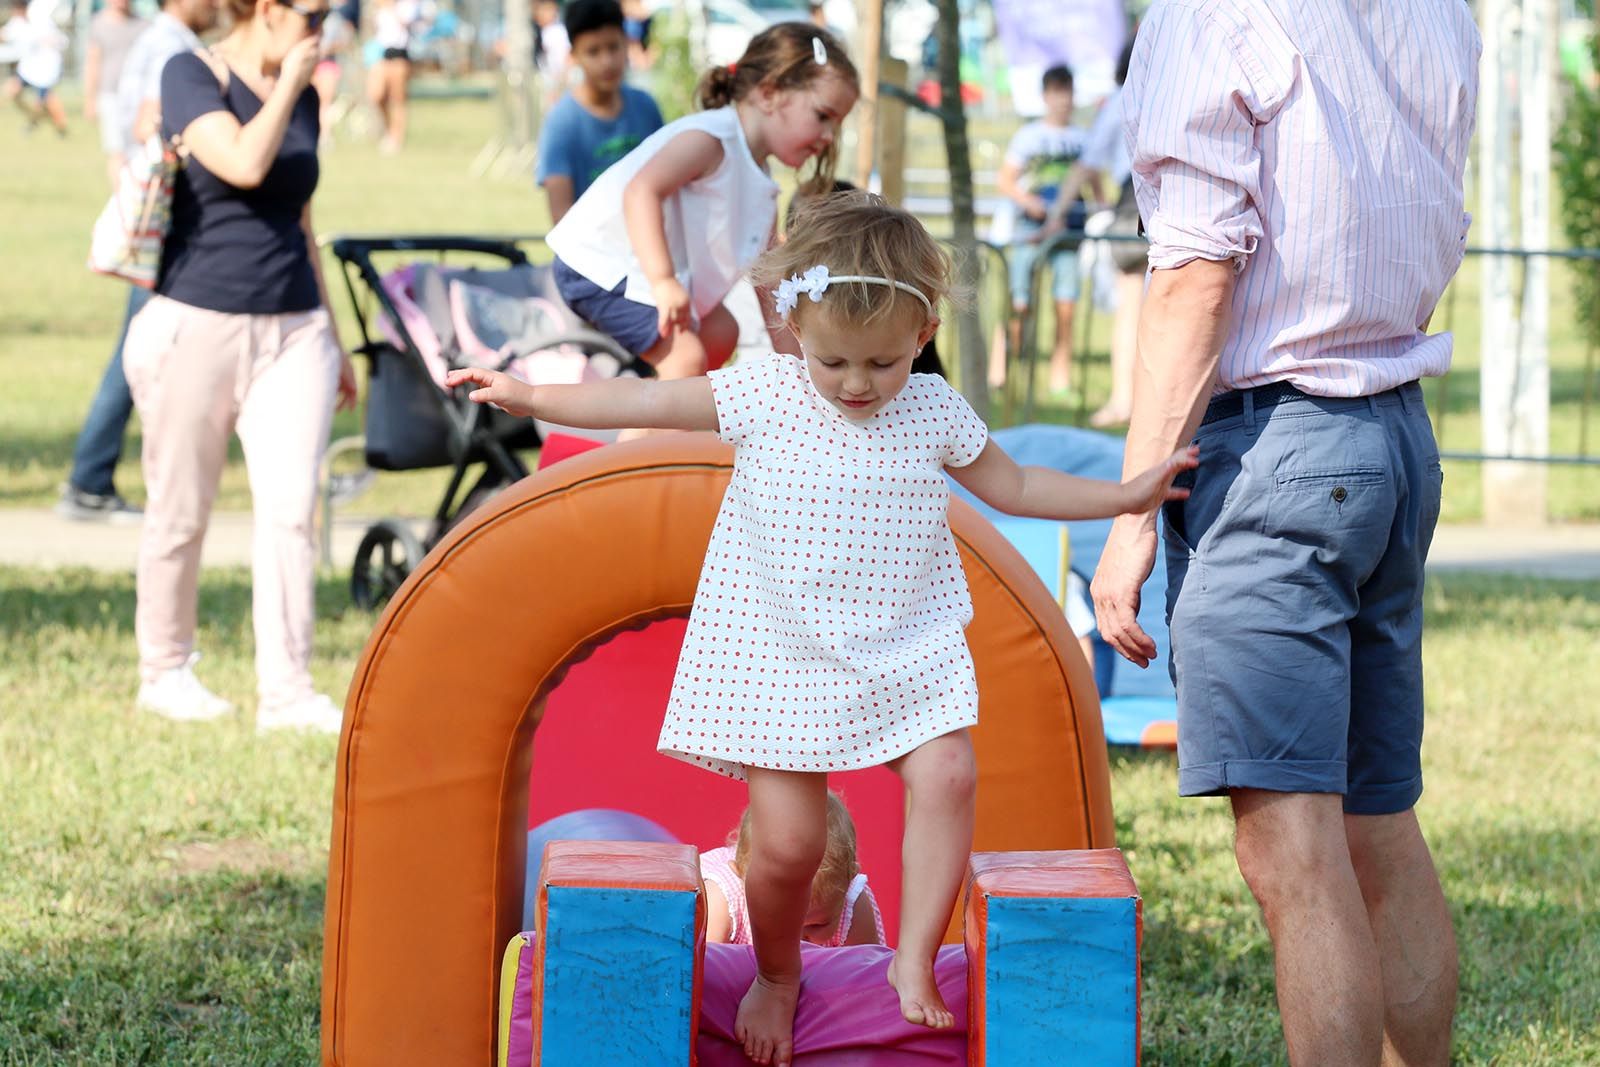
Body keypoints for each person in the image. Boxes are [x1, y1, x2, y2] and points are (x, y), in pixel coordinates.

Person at [447, 191, 1197, 1066]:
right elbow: (649, 400)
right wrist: (530, 392)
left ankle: (912, 955)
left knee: (950, 771)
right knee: (789, 846)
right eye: (834, 358)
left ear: (921, 334)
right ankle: (776, 972)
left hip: (904, 643)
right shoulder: (765, 390)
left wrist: (1124, 495)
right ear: (794, 323)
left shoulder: (932, 410)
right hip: (781, 652)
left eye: (880, 362)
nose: (854, 383)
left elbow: (1021, 487)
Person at [1091, 3, 1479, 1064]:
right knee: (1376, 825)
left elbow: (1193, 279)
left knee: (1292, 853)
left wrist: (1131, 512)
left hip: (1273, 446)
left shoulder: (1205, 16)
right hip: (1392, 427)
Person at [121, 0, 358, 730]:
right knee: (180, 506)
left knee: (290, 515)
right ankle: (164, 669)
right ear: (266, 8)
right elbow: (245, 163)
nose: (322, 26)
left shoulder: (307, 88)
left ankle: (285, 690)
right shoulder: (191, 73)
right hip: (199, 320)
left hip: (293, 328)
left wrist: (334, 333)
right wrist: (289, 81)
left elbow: (303, 219)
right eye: (312, 12)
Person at [544, 22, 857, 387]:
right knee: (685, 357)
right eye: (823, 116)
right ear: (769, 93)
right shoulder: (710, 140)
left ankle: (662, 428)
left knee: (722, 332)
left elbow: (771, 285)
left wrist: (804, 376)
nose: (829, 136)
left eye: (837, 125)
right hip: (598, 264)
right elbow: (641, 191)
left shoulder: (761, 190)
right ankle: (649, 438)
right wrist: (662, 282)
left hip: (633, 271)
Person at [57, 0, 224, 525]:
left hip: (166, 223)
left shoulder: (158, 40)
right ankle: (89, 479)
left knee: (141, 352)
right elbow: (143, 123)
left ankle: (91, 477)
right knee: (139, 355)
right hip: (173, 225)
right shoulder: (169, 47)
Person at [1040, 40, 1140, 429]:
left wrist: (1055, 217)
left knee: (1131, 311)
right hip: (1168, 206)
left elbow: (1086, 165)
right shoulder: (1168, 93)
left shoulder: (1120, 101)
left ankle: (1123, 399)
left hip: (1134, 206)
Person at [993, 64, 1087, 395]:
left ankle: (1059, 376)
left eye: (1068, 91)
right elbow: (1005, 180)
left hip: (1067, 232)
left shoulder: (1081, 139)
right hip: (1030, 228)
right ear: (1046, 96)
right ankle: (1004, 368)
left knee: (1066, 304)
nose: (1063, 100)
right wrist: (1029, 202)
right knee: (1019, 301)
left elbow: (1092, 185)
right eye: (1057, 92)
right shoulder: (1028, 136)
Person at [534, 0, 662, 225]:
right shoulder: (561, 123)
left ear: (626, 44)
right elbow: (561, 216)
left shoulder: (645, 106)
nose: (607, 62)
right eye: (593, 52)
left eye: (614, 47)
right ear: (573, 55)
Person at [703, 791, 885, 948]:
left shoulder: (852, 906)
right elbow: (702, 975)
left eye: (816, 925)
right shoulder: (723, 901)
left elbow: (868, 978)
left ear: (847, 885)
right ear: (744, 881)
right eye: (778, 923)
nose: (796, 941)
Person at [84, 0, 148, 186]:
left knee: (137, 151)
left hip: (137, 97)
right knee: (116, 150)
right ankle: (120, 198)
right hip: (110, 95)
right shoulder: (98, 24)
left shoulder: (144, 26)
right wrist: (90, 99)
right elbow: (93, 62)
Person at [366, 0, 432, 153]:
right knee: (376, 95)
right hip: (381, 55)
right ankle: (389, 129)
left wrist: (392, 8)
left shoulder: (406, 5)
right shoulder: (380, 7)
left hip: (400, 55)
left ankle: (397, 137)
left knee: (398, 98)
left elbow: (407, 22)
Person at [3, 0, 69, 137]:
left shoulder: (42, 21)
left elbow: (61, 40)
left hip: (46, 68)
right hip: (28, 69)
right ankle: (34, 119)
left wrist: (51, 41)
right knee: (12, 91)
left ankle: (61, 127)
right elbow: (5, 35)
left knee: (46, 101)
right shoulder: (16, 23)